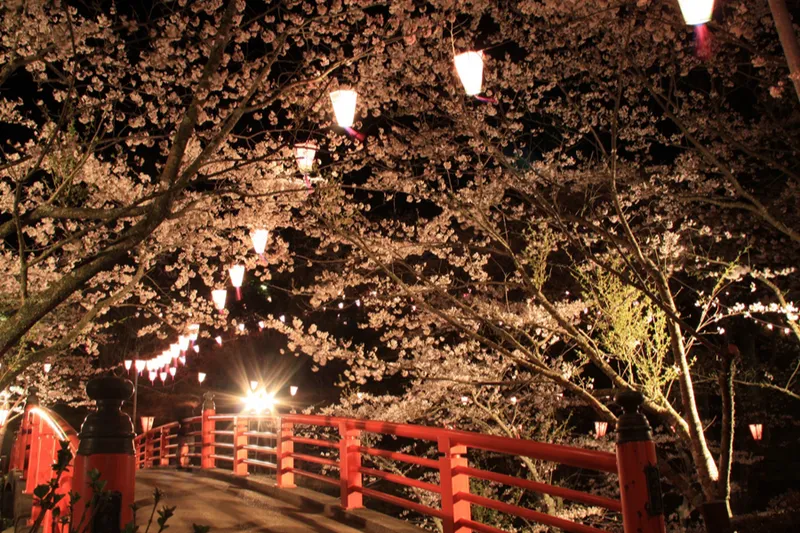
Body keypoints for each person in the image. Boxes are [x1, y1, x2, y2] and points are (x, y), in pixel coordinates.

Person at [173, 399, 199, 471]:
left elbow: (178, 418)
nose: (196, 405)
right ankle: (188, 464)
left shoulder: (180, 408)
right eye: (196, 403)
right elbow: (190, 419)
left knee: (180, 447)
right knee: (191, 448)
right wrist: (187, 424)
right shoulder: (189, 409)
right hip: (188, 431)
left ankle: (179, 464)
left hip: (181, 430)